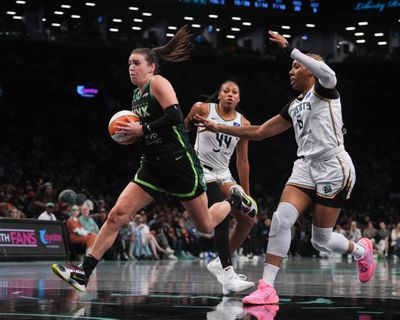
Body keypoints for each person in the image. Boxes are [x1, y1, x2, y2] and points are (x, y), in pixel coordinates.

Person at [51, 25, 251, 292]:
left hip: (179, 162)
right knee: (116, 215)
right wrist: (132, 136)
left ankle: (233, 199)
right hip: (152, 165)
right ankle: (83, 274)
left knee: (205, 225)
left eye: (136, 63)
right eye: (129, 64)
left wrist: (141, 130)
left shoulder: (158, 83)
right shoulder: (135, 95)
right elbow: (146, 129)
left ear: (151, 67)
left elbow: (176, 116)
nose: (131, 68)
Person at [194, 30, 376, 305]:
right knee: (281, 220)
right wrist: (217, 126)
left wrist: (290, 49)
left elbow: (328, 72)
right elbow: (259, 132)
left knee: (321, 240)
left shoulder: (326, 89)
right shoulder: (293, 105)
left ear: (311, 71)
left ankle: (361, 251)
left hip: (333, 166)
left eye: (296, 67)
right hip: (305, 166)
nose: (290, 72)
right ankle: (267, 287)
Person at [185, 80, 257, 294]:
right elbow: (184, 125)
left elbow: (242, 161)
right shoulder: (202, 109)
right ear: (219, 95)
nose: (230, 95)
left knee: (249, 217)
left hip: (223, 172)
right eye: (226, 91)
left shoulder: (244, 123)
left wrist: (247, 194)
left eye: (235, 92)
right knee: (222, 214)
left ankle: (218, 262)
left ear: (239, 98)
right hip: (202, 168)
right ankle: (228, 274)